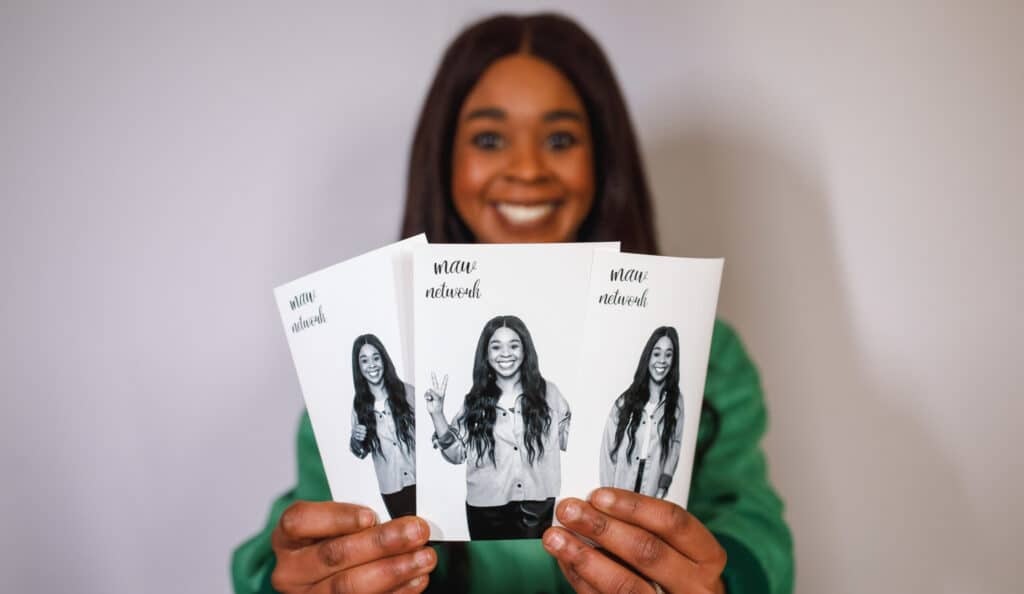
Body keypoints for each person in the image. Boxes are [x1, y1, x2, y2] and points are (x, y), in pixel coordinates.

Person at [232, 12, 794, 594]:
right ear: (444, 159)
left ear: (602, 160)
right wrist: (293, 581)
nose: (527, 168)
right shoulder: (371, 346)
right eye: (489, 139)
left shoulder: (703, 350)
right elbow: (308, 526)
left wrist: (724, 583)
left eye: (560, 139)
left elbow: (752, 525)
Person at [424, 315, 571, 540]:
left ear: (525, 351)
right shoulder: (474, 401)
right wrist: (437, 414)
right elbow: (456, 454)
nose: (505, 354)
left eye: (514, 345)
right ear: (486, 354)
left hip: (538, 506)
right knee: (491, 574)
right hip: (485, 510)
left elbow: (571, 440)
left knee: (532, 573)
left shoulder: (550, 393)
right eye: (496, 347)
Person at [599, 327, 683, 499]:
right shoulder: (624, 402)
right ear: (648, 357)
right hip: (620, 487)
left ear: (673, 360)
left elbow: (675, 444)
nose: (662, 361)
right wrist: (607, 493)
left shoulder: (676, 402)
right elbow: (607, 451)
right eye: (657, 353)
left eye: (668, 355)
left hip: (652, 491)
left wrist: (662, 489)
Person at [348, 334, 417, 519]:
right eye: (364, 360)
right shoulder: (359, 406)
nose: (372, 365)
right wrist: (356, 440)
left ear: (383, 360)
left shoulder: (407, 392)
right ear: (359, 367)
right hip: (392, 489)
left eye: (376, 358)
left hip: (421, 481)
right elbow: (360, 452)